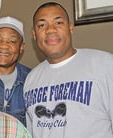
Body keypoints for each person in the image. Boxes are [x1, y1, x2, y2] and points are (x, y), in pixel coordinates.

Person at [23, 2, 113, 138]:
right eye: (42, 25)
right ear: (34, 35)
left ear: (70, 28)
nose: (50, 29)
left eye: (58, 23)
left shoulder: (104, 64)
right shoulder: (31, 79)